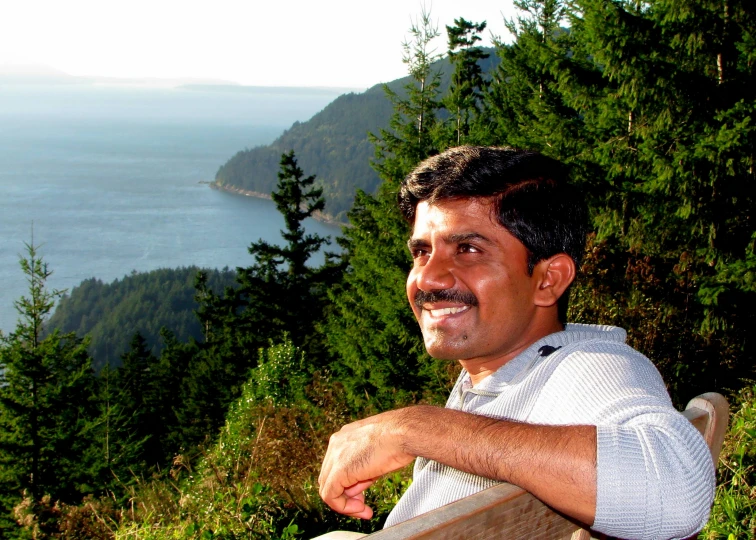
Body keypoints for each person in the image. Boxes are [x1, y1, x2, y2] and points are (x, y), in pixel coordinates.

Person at [318, 146, 715, 539]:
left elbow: (677, 492)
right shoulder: (505, 371)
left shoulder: (588, 366)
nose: (427, 279)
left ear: (549, 280)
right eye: (422, 252)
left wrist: (411, 428)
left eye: (468, 250)